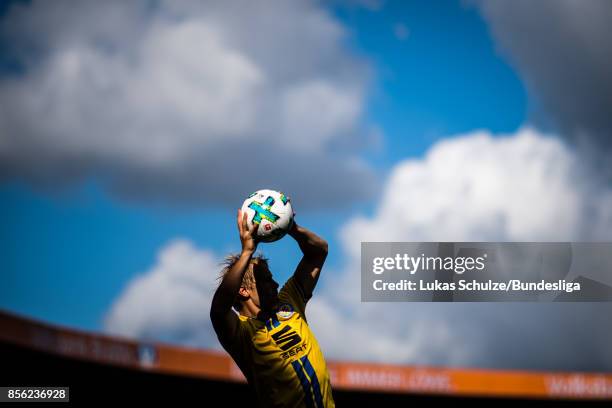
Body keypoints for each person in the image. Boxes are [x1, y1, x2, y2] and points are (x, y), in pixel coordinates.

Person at [210, 209, 335, 408]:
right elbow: (218, 309)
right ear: (243, 291)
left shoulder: (289, 301)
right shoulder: (241, 333)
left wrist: (290, 227)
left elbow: (319, 251)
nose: (276, 284)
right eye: (266, 280)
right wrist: (247, 253)